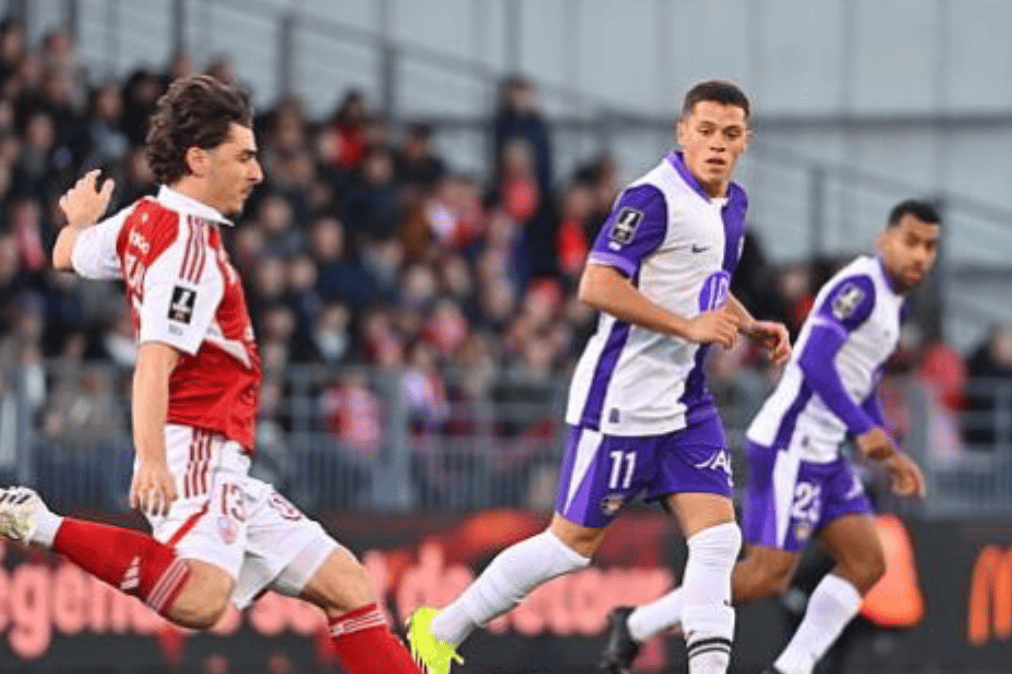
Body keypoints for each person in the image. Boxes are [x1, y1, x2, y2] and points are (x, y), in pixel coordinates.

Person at [0, 75, 423, 674]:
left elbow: (67, 255)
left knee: (347, 584)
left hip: (222, 455)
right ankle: (35, 521)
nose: (257, 173)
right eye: (244, 157)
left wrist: (78, 221)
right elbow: (155, 360)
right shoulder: (189, 254)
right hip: (196, 448)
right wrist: (150, 459)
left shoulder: (141, 220)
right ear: (199, 160)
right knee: (201, 600)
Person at [407, 80, 791, 674]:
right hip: (621, 403)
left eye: (730, 134)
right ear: (682, 132)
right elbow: (597, 284)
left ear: (746, 141)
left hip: (686, 404)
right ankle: (441, 628)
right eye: (706, 130)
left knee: (718, 540)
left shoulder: (732, 203)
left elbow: (702, 278)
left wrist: (748, 323)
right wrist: (687, 328)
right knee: (569, 547)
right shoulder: (652, 197)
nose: (717, 144)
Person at [601, 200, 937, 674]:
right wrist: (864, 431)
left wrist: (892, 451)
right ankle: (637, 623)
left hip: (825, 452)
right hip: (790, 444)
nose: (919, 255)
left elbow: (864, 382)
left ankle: (789, 669)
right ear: (886, 240)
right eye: (910, 241)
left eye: (929, 246)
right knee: (765, 577)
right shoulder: (861, 287)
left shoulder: (893, 304)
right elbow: (815, 361)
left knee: (866, 563)